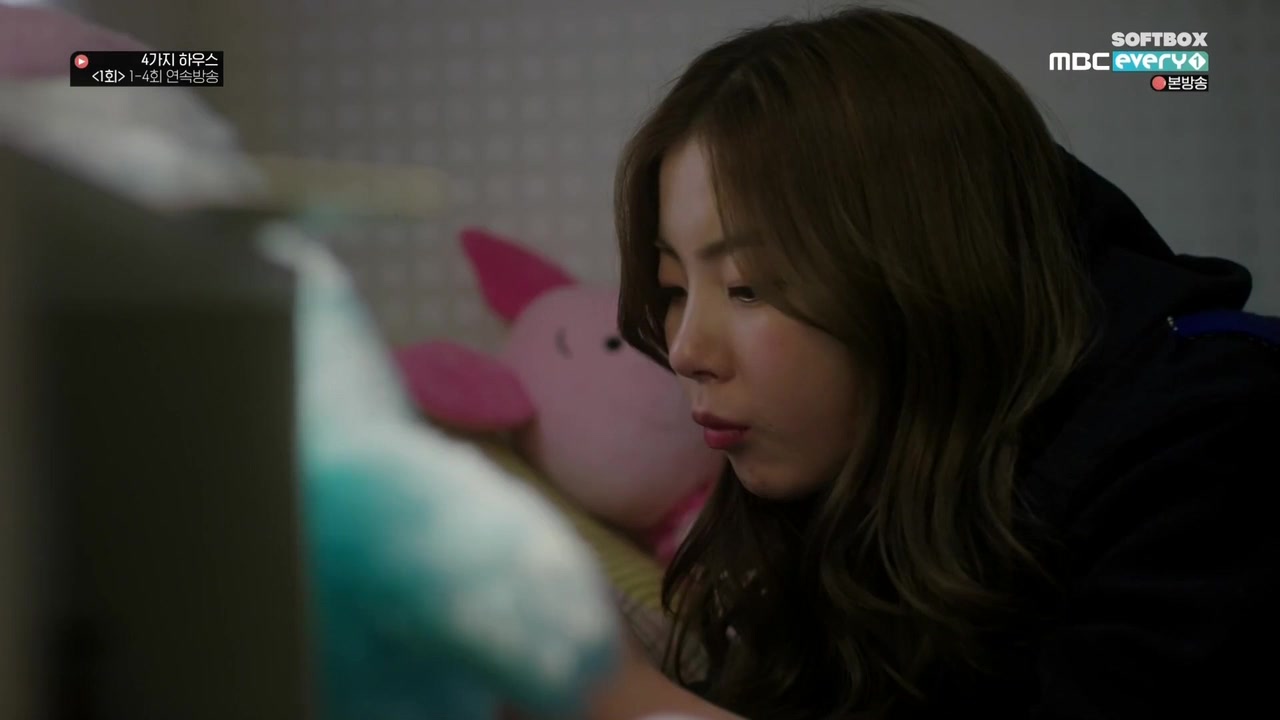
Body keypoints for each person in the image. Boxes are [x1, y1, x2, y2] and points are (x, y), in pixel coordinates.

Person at [584, 6, 1280, 720]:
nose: (686, 351)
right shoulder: (842, 473)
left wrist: (635, 703)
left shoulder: (1215, 436)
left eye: (747, 287)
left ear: (925, 273)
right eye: (674, 289)